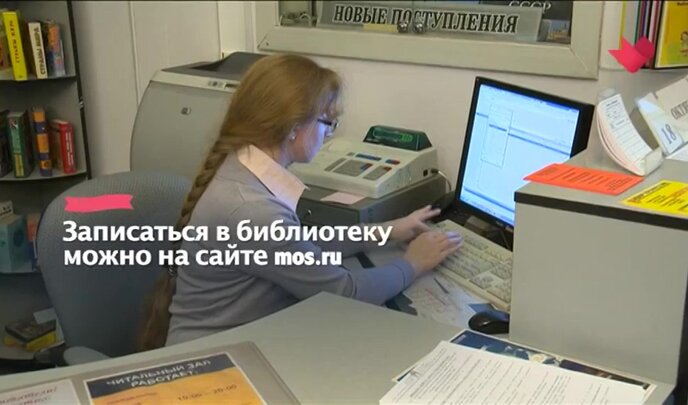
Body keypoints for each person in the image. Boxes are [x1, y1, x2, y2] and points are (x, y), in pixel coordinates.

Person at [139, 54, 462, 350]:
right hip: (215, 363)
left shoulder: (240, 169)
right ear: (294, 128)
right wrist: (413, 263)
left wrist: (387, 231)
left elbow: (302, 245)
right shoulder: (252, 210)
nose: (329, 134)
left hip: (234, 341)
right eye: (327, 123)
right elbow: (345, 291)